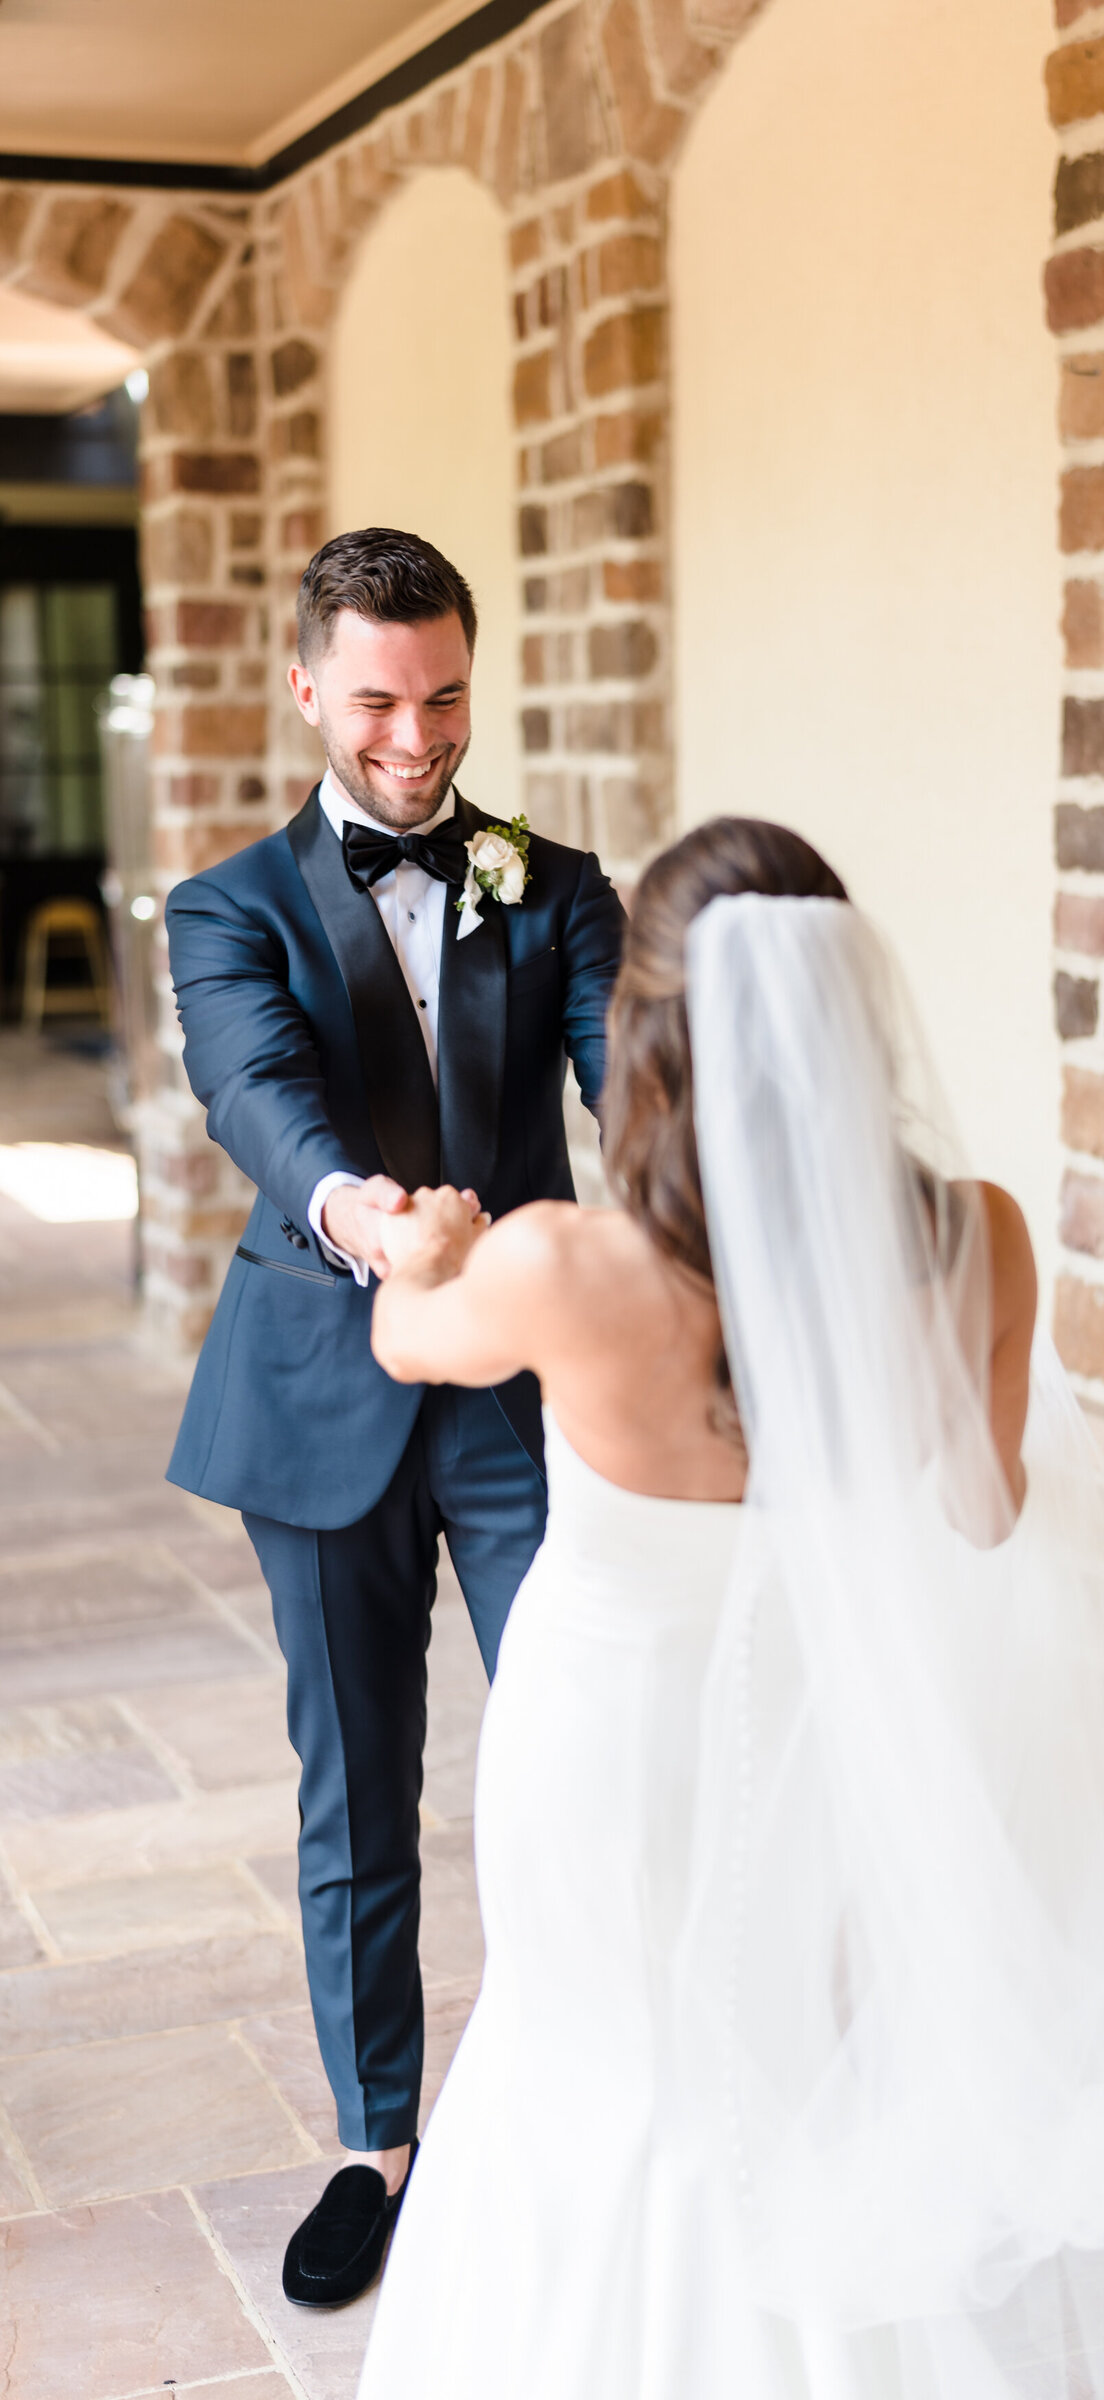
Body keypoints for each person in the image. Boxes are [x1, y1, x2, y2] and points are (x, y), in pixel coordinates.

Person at [355, 815, 1104, 2400]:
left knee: (590, 2073)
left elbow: (409, 1342)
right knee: (778, 2082)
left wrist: (421, 1240)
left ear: (649, 1035)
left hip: (603, 1748)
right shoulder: (971, 1240)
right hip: (814, 1730)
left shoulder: (559, 1263)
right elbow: (982, 1511)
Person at [162, 526, 626, 2307]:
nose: (415, 739)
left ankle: (590, 2103)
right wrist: (367, 1215)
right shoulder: (225, 907)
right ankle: (383, 2142)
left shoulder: (554, 883)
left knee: (578, 1747)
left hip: (518, 1393)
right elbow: (256, 1095)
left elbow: (623, 1091)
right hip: (322, 1380)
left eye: (442, 697)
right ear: (306, 690)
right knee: (355, 1783)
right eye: (376, 701)